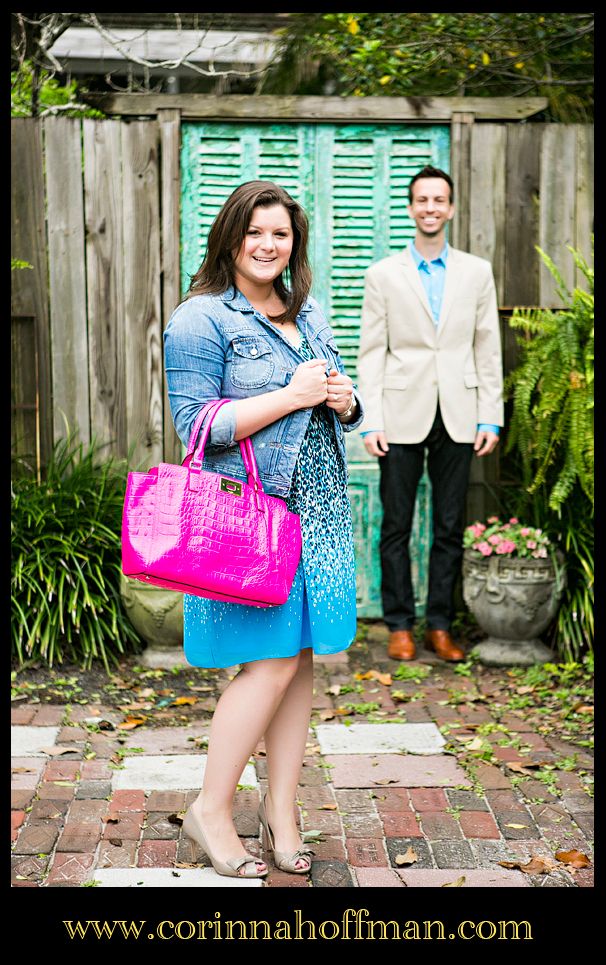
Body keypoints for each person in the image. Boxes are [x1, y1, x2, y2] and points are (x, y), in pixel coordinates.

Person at [163, 180, 363, 879]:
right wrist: (292, 395)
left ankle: (281, 810)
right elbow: (195, 426)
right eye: (256, 232)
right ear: (231, 236)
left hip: (321, 514)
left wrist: (346, 399)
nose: (268, 244)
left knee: (300, 659)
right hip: (256, 517)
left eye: (280, 234)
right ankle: (211, 808)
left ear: (293, 243)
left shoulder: (304, 313)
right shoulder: (200, 317)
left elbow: (340, 395)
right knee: (270, 662)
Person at [357, 165, 503, 663]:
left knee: (447, 524)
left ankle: (440, 624)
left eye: (439, 200)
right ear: (410, 207)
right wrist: (370, 418)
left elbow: (488, 346)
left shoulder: (477, 272)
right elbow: (371, 352)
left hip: (461, 412)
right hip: (399, 411)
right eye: (422, 200)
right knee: (396, 522)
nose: (430, 208)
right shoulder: (383, 274)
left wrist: (491, 415)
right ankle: (399, 624)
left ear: (451, 207)